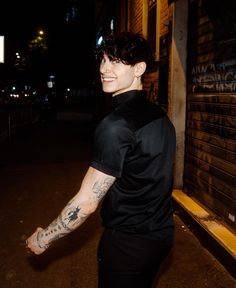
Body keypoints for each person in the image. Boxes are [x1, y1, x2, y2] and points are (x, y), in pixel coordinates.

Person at [26, 32, 176, 288]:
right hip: (161, 236)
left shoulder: (115, 126)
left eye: (116, 61)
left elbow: (85, 204)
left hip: (127, 246)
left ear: (139, 68)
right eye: (103, 60)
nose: (105, 69)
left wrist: (44, 238)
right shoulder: (160, 117)